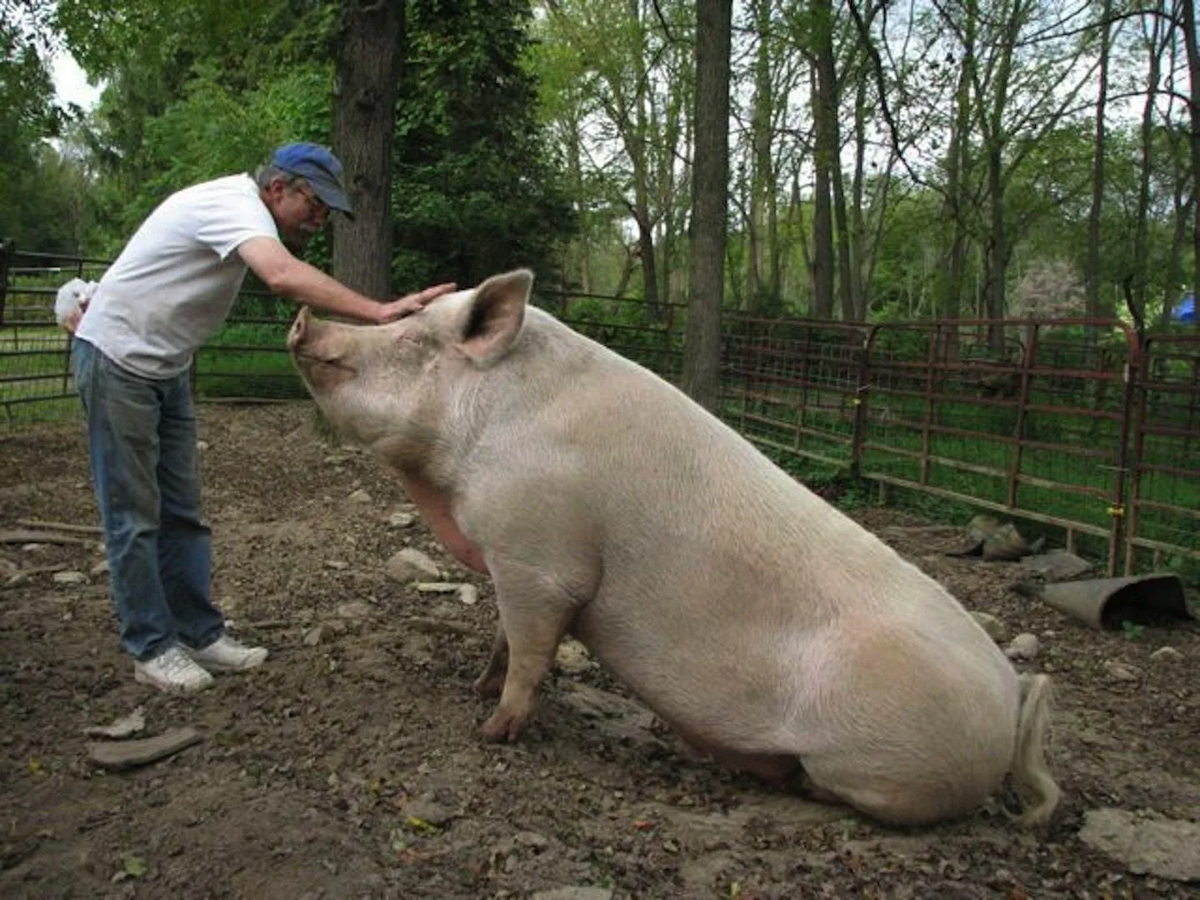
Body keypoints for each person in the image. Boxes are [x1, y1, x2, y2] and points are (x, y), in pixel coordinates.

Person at [62, 142, 455, 694]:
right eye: (315, 207)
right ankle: (149, 646)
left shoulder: (243, 212)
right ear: (278, 188)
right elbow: (280, 275)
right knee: (135, 514)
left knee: (182, 511)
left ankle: (198, 633)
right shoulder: (233, 203)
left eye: (327, 214)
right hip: (118, 361)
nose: (319, 222)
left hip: (164, 367)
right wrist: (382, 311)